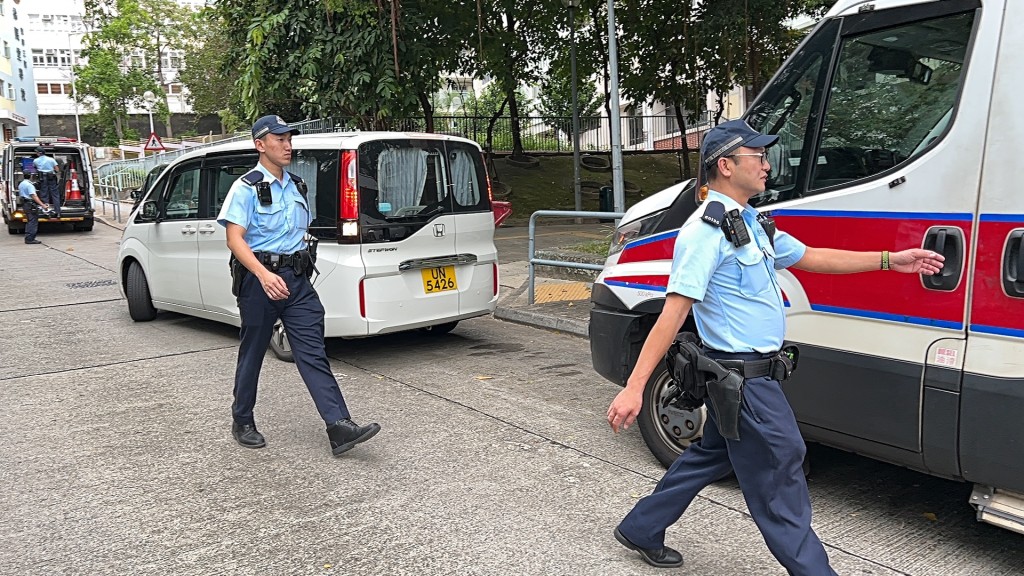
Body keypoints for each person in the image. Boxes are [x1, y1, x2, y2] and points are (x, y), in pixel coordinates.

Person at [606, 119, 945, 574]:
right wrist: (634, 387)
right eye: (758, 157)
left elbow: (812, 257)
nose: (768, 165)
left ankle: (641, 527)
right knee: (781, 470)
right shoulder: (704, 234)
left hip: (752, 375)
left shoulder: (751, 224)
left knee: (713, 454)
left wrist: (890, 260)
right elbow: (673, 314)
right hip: (741, 382)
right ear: (726, 166)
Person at [217, 115, 381, 456]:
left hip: (296, 281)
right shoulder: (246, 187)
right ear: (260, 145)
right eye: (279, 140)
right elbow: (235, 239)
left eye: (289, 138)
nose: (288, 145)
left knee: (313, 352)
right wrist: (263, 274)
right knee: (253, 352)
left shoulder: (297, 186)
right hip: (260, 280)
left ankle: (339, 426)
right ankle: (242, 420)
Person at [18, 173, 48, 245]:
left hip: (25, 204)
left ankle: (28, 237)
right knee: (33, 221)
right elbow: (34, 196)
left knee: (29, 221)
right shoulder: (30, 185)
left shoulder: (21, 184)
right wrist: (42, 205)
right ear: (31, 176)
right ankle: (30, 239)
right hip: (30, 204)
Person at [32, 147, 60, 218]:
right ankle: (58, 212)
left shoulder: (35, 160)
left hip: (42, 178)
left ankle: (47, 212)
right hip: (51, 177)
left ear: (39, 153)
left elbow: (34, 168)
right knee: (55, 194)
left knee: (44, 194)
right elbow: (57, 169)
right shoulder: (51, 159)